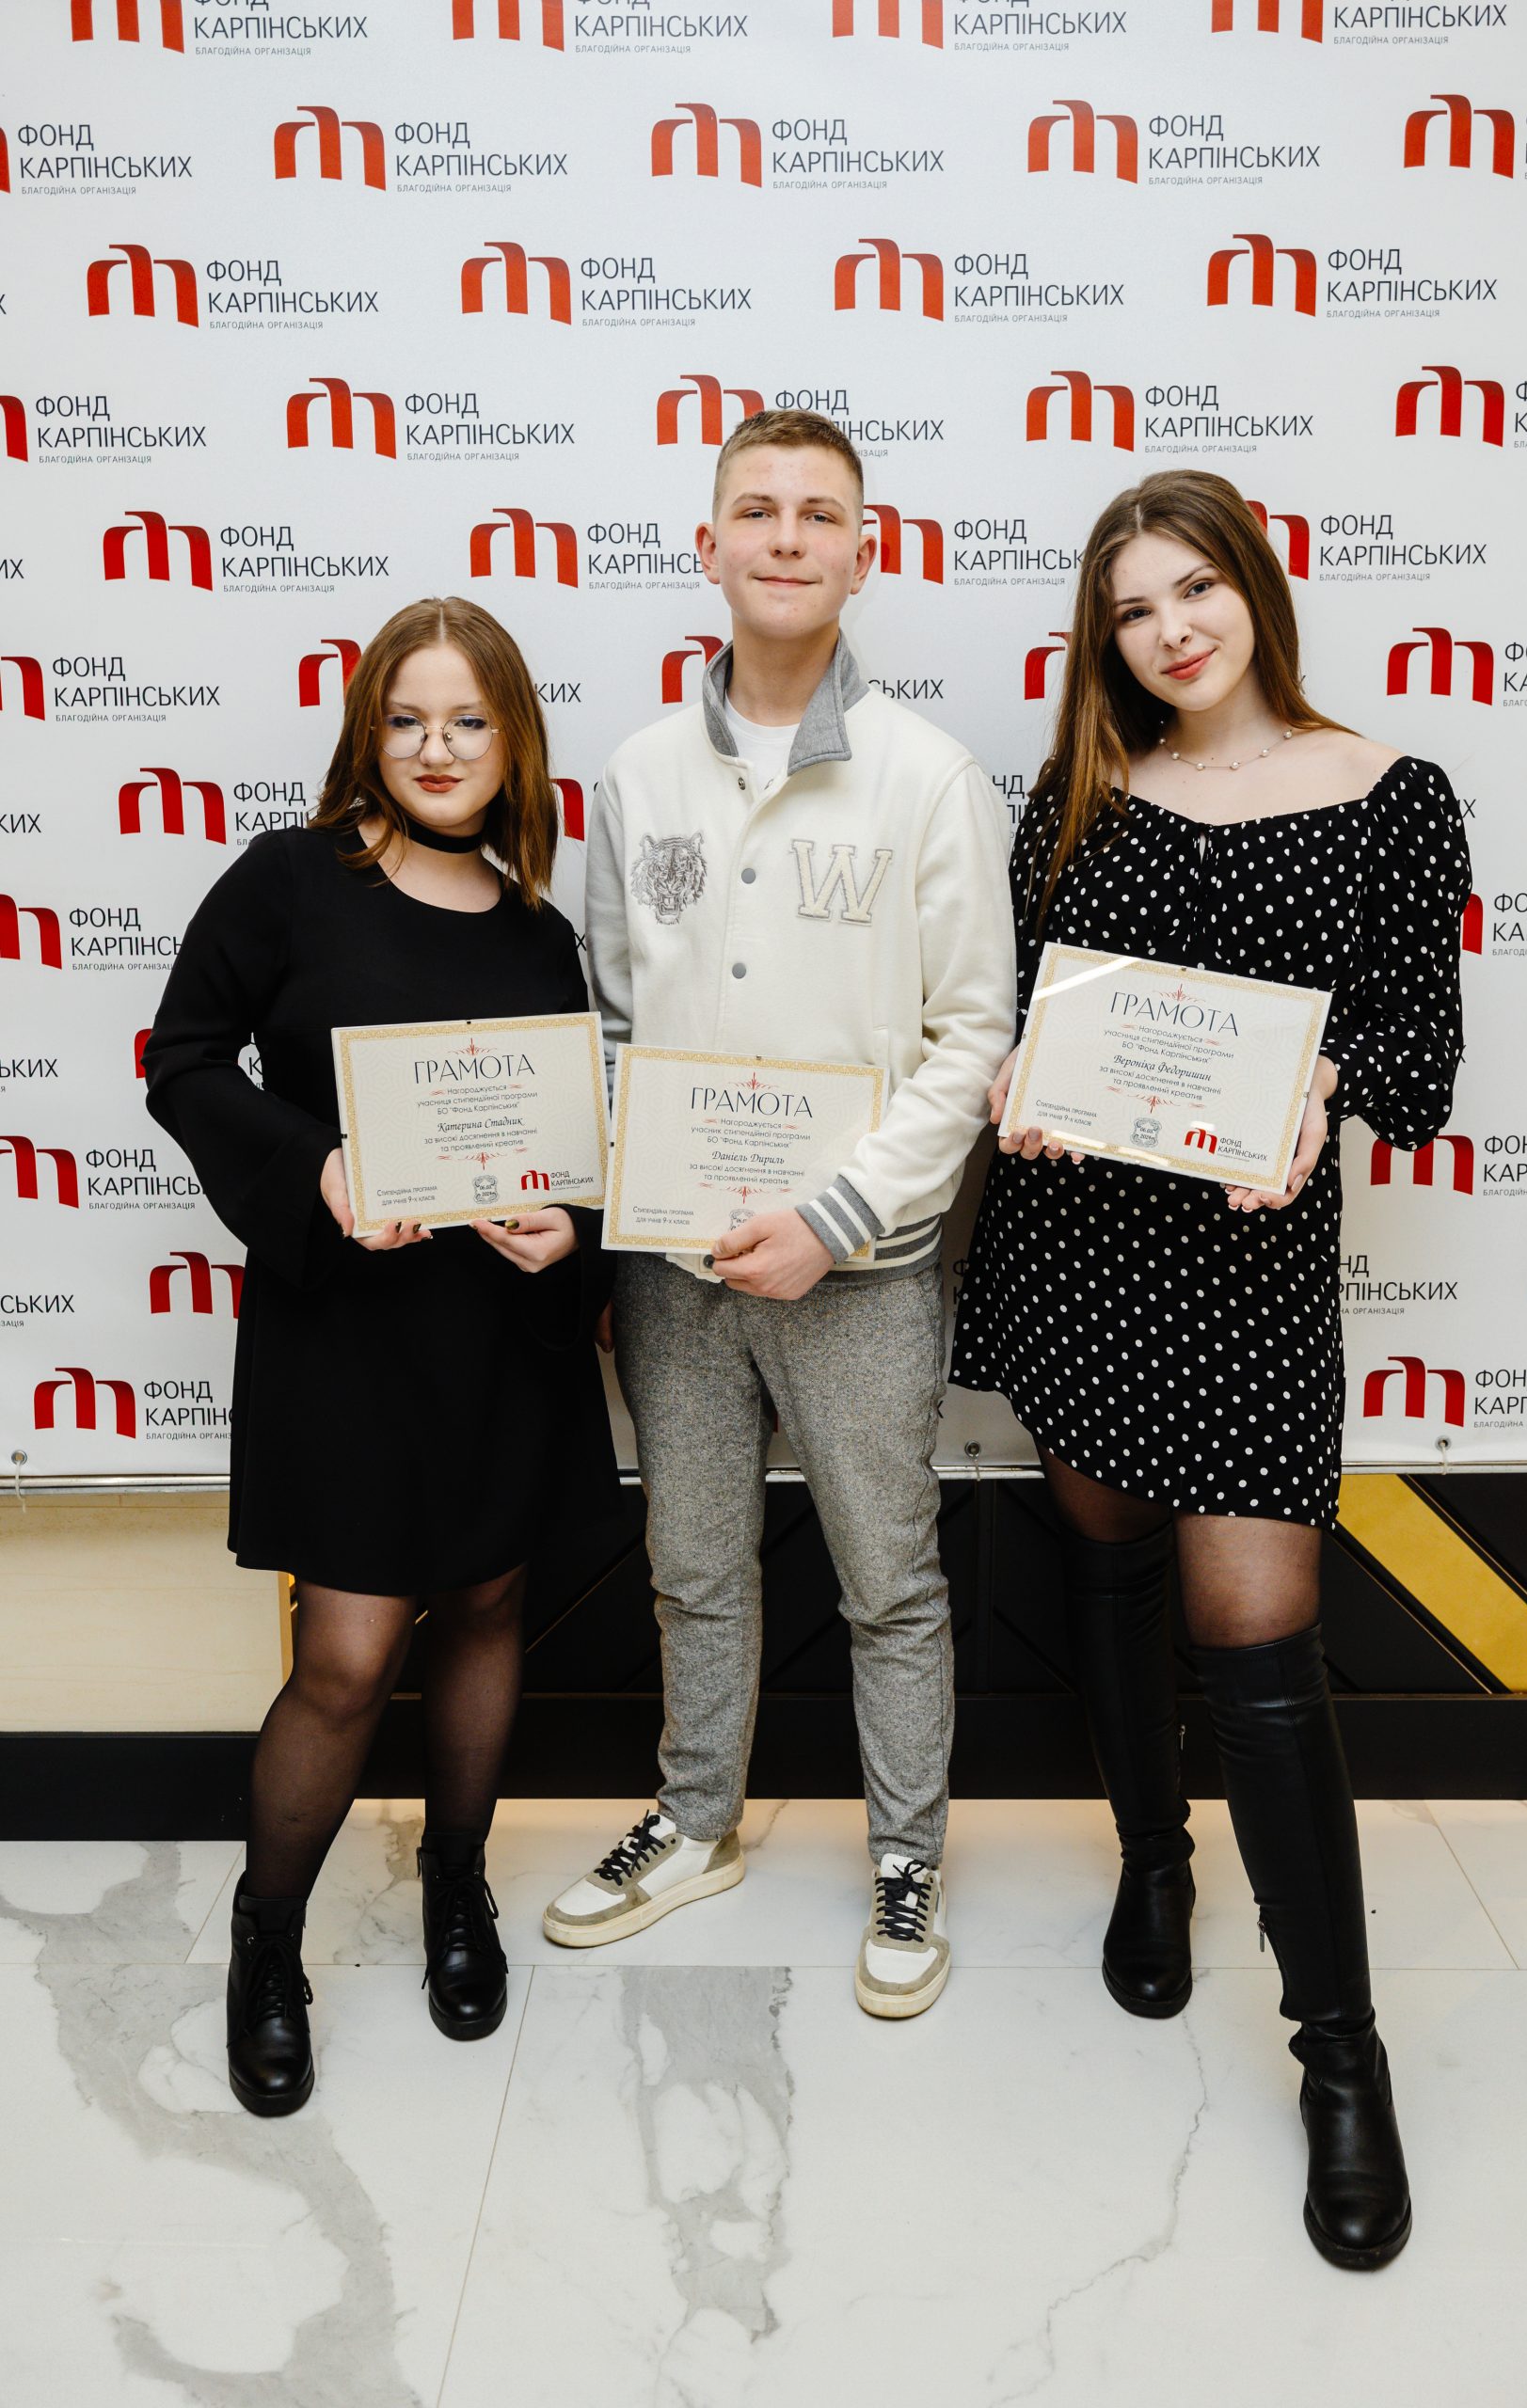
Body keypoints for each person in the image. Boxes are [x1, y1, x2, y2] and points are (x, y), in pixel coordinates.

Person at [951, 470, 1470, 2266]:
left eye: (1194, 589)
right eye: (1132, 609)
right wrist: (1019, 1085)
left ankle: (1341, 2052)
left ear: (1253, 587)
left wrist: (1324, 1085)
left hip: (1249, 1274)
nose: (1170, 630)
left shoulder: (1391, 794)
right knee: (1106, 1573)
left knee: (1259, 1646)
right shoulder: (1081, 794)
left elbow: (1420, 1053)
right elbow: (1030, 1011)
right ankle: (1154, 1862)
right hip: (1083, 1247)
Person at [540, 408, 1016, 2017]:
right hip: (675, 1267)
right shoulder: (638, 775)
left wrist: (834, 1215)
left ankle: (906, 1857)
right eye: (758, 509)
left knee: (889, 1578)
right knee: (691, 1561)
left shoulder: (929, 777)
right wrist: (642, 1193)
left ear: (865, 553)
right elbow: (615, 1020)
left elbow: (975, 1037)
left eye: (821, 513)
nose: (789, 537)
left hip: (859, 1265)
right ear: (711, 546)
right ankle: (697, 1821)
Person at [144, 597, 616, 2115]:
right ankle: (267, 1940)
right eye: (407, 719)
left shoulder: (542, 934)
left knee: (485, 1606)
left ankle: (456, 1884)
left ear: (513, 743)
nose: (436, 747)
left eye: (468, 721)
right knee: (347, 1660)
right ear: (369, 733)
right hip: (343, 1334)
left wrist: (569, 1231)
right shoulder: (289, 881)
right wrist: (319, 1169)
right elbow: (181, 1060)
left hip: (499, 1336)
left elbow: (570, 1150)